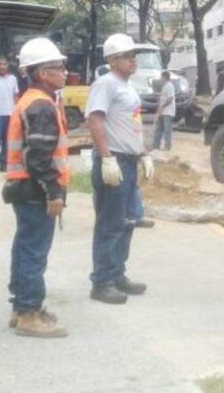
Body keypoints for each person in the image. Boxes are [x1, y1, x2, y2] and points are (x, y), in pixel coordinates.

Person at [3, 37, 71, 338]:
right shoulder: (41, 105)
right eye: (59, 67)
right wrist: (54, 191)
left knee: (24, 247)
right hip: (36, 191)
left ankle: (21, 308)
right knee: (34, 251)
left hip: (24, 189)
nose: (65, 72)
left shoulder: (31, 99)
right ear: (43, 72)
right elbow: (39, 157)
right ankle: (30, 313)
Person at [87, 33, 155, 305]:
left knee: (127, 222)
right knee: (110, 224)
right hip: (113, 159)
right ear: (113, 60)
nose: (133, 60)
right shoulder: (106, 84)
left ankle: (117, 274)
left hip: (128, 160)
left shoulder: (127, 86)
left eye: (133, 55)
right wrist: (106, 158)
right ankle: (102, 281)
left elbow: (132, 125)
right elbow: (95, 120)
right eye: (127, 56)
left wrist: (143, 154)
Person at [152, 71, 175, 151]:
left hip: (168, 112)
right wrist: (159, 108)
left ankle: (167, 146)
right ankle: (155, 145)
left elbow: (170, 99)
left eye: (161, 77)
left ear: (165, 77)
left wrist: (162, 107)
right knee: (159, 128)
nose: (160, 79)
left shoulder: (169, 86)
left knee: (167, 130)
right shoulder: (165, 86)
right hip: (162, 112)